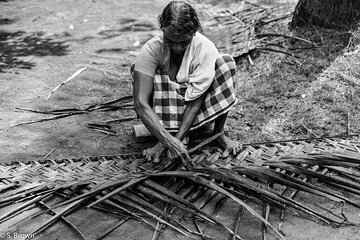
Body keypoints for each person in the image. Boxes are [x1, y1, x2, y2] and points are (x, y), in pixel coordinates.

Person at [132, 1, 242, 163]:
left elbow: (194, 102)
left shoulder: (205, 48)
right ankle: (163, 136)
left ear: (194, 32)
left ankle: (218, 134)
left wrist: (175, 142)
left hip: (199, 110)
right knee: (139, 68)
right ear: (162, 30)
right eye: (170, 41)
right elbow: (140, 103)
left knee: (225, 63)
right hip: (165, 111)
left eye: (183, 42)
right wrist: (168, 142)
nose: (176, 48)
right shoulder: (152, 49)